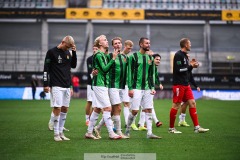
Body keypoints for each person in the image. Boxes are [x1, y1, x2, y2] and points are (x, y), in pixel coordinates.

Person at [169, 38, 209, 133]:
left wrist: (192, 65)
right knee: (176, 105)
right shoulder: (178, 55)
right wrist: (191, 66)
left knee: (192, 103)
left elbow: (187, 71)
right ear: (185, 45)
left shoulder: (186, 56)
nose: (190, 45)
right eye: (189, 44)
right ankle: (171, 128)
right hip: (179, 84)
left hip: (186, 85)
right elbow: (179, 70)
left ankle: (197, 127)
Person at [85, 35, 121, 140]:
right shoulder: (99, 55)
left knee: (96, 109)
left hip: (103, 84)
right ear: (100, 43)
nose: (106, 41)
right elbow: (105, 69)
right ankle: (111, 133)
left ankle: (89, 132)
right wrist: (113, 59)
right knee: (108, 108)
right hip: (99, 85)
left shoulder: (103, 55)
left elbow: (103, 71)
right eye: (104, 40)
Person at [93, 37, 130, 139]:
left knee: (113, 110)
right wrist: (94, 70)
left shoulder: (124, 57)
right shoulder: (109, 55)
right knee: (118, 108)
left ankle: (98, 127)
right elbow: (100, 65)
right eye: (115, 43)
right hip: (112, 85)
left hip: (121, 86)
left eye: (119, 43)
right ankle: (118, 132)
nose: (118, 45)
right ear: (113, 46)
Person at [125, 37, 161, 139]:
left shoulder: (150, 58)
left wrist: (152, 87)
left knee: (148, 109)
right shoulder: (133, 57)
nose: (148, 45)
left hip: (147, 88)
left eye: (149, 43)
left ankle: (149, 133)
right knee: (135, 111)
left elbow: (151, 74)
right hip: (136, 87)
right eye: (146, 43)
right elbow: (129, 73)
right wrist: (130, 88)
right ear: (141, 44)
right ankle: (127, 129)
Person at [43, 35, 77, 141]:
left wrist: (74, 52)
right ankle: (56, 134)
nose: (67, 49)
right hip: (56, 84)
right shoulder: (51, 52)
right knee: (57, 108)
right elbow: (46, 69)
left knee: (65, 109)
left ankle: (61, 132)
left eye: (69, 48)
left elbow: (73, 66)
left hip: (67, 85)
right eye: (67, 47)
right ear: (62, 42)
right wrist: (45, 84)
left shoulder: (68, 52)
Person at [178, 54, 201, 127]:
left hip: (186, 86)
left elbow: (190, 77)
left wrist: (196, 86)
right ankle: (180, 121)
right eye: (187, 56)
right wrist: (191, 66)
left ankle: (182, 120)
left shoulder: (188, 66)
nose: (188, 57)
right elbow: (179, 72)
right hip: (180, 86)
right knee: (180, 104)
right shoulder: (182, 65)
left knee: (188, 102)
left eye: (188, 57)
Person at [85, 45, 99, 126]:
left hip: (99, 84)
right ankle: (87, 119)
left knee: (96, 103)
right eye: (93, 49)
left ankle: (91, 120)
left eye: (96, 49)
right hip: (91, 83)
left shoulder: (101, 58)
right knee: (90, 101)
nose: (94, 50)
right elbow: (90, 71)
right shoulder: (90, 59)